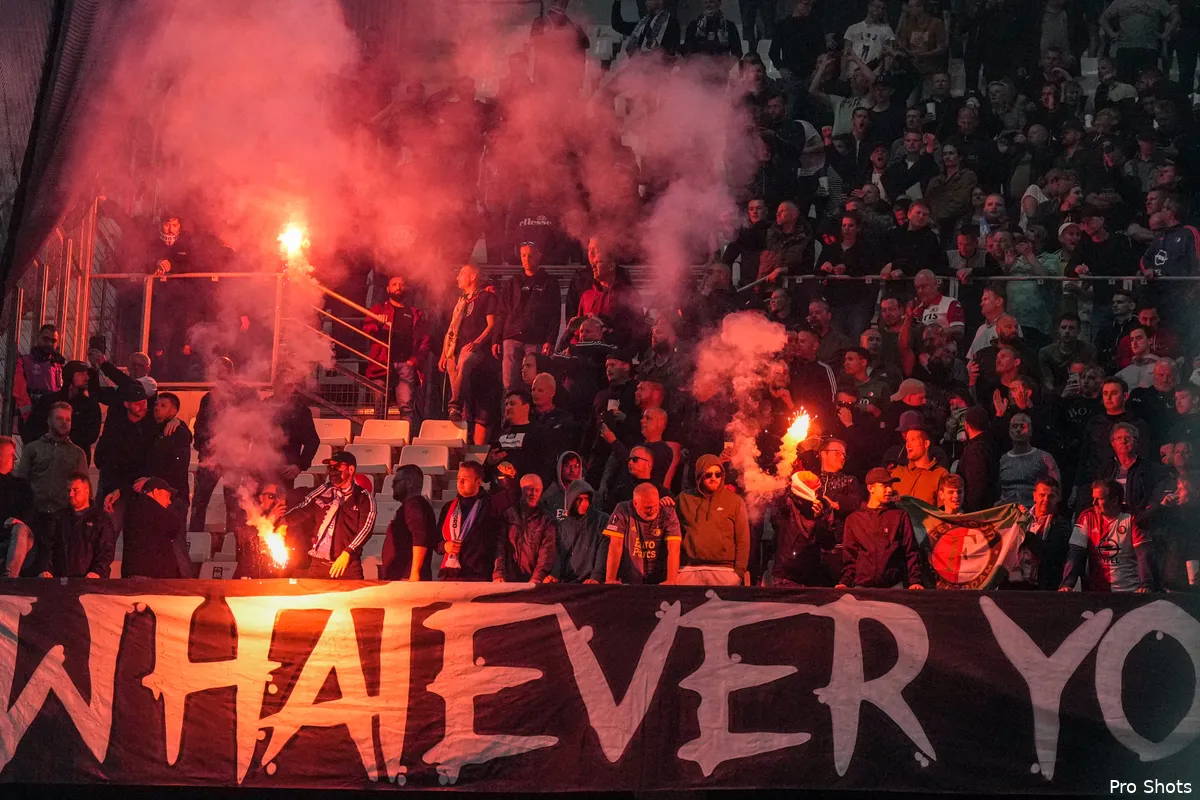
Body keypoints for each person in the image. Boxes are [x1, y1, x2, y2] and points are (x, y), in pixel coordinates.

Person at [283, 451, 377, 579]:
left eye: (337, 467)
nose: (332, 471)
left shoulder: (364, 497)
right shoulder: (322, 490)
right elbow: (302, 509)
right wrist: (283, 522)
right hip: (318, 565)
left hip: (347, 566)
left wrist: (348, 552)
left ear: (351, 469)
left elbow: (366, 529)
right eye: (330, 467)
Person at [837, 468, 925, 590]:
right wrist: (845, 582)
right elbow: (850, 556)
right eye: (884, 486)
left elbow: (911, 551)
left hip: (894, 587)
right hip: (862, 588)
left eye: (890, 485)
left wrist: (915, 581)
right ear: (870, 488)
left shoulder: (899, 516)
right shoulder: (854, 520)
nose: (890, 490)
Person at [492, 242, 562, 392]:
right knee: (509, 384)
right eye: (523, 255)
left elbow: (554, 314)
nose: (526, 259)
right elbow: (502, 312)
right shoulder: (512, 283)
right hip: (511, 337)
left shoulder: (549, 283)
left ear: (538, 256)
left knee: (533, 383)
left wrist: (550, 340)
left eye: (530, 255)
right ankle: (510, 408)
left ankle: (531, 408)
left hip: (536, 338)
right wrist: (496, 339)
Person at [1060, 480, 1152, 592]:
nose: (1094, 503)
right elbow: (1075, 553)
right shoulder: (1086, 517)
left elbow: (1143, 555)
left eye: (1100, 499)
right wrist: (1067, 584)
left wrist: (1145, 585)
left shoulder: (1132, 518)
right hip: (1097, 592)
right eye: (1093, 498)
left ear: (1114, 501)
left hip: (1130, 591)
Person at [440, 264, 498, 438]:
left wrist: (477, 342)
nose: (457, 277)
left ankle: (454, 406)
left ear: (473, 277)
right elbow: (451, 330)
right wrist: (444, 354)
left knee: (464, 359)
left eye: (462, 274)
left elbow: (492, 325)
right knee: (451, 364)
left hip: (476, 351)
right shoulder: (461, 302)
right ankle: (460, 413)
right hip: (457, 349)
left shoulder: (487, 297)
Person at [364, 274, 431, 422]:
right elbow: (367, 329)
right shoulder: (379, 309)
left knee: (406, 406)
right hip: (381, 363)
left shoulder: (415, 313)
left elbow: (425, 341)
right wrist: (378, 323)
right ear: (388, 289)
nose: (398, 287)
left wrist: (414, 360)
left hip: (406, 364)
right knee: (379, 405)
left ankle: (404, 435)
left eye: (401, 284)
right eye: (394, 284)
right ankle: (378, 434)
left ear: (407, 288)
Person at [675, 455, 749, 586]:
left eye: (718, 474)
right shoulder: (683, 499)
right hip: (689, 569)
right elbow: (669, 529)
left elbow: (743, 539)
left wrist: (739, 572)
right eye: (708, 474)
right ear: (699, 476)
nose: (713, 478)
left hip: (725, 570)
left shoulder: (735, 501)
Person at [34, 472, 115, 579]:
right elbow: (47, 547)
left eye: (75, 490)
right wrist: (45, 569)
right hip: (60, 581)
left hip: (90, 581)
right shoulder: (58, 518)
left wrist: (97, 572)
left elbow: (106, 551)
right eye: (69, 491)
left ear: (87, 491)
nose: (71, 494)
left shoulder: (101, 519)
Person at [436, 461, 504, 581]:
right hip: (450, 573)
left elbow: (512, 496)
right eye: (458, 478)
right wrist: (445, 546)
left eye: (466, 479)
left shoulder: (490, 505)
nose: (460, 482)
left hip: (478, 574)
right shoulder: (449, 507)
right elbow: (436, 540)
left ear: (478, 482)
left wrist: (510, 479)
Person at [602, 481, 681, 585]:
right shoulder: (623, 510)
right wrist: (610, 579)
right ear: (635, 503)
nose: (653, 510)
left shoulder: (667, 512)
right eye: (648, 507)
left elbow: (674, 549)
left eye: (656, 505)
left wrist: (671, 580)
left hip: (660, 577)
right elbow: (615, 546)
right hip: (630, 578)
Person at [17, 402, 89, 515]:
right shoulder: (32, 449)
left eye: (68, 419)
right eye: (59, 418)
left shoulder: (78, 454)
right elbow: (20, 483)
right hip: (35, 513)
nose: (64, 423)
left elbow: (85, 490)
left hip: (65, 516)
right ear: (49, 421)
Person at [23, 360, 101, 461]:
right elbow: (32, 429)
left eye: (87, 374)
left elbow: (91, 435)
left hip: (75, 459)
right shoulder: (49, 401)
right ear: (69, 377)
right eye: (81, 374)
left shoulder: (90, 405)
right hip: (48, 457)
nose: (87, 378)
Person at [1007, 477, 1072, 590]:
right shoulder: (1017, 518)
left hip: (1042, 588)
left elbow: (1051, 555)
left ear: (1057, 498)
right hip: (1012, 586)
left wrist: (1026, 533)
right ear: (1034, 496)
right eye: (1042, 495)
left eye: (1051, 496)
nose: (1046, 500)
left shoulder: (1062, 526)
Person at [121, 477, 190, 579]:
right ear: (156, 492)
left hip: (144, 574)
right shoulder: (146, 506)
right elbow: (174, 524)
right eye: (167, 496)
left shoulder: (135, 507)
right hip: (149, 576)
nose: (169, 501)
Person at [495, 474, 557, 582]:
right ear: (521, 490)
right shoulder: (508, 515)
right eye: (529, 489)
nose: (533, 494)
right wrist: (498, 574)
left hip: (534, 581)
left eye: (537, 490)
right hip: (507, 580)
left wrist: (537, 578)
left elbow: (547, 553)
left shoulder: (547, 520)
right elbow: (499, 547)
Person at [381, 464, 436, 581]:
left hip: (406, 578)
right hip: (403, 577)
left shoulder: (414, 504)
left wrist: (414, 573)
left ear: (409, 483)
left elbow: (420, 537)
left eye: (396, 482)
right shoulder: (413, 505)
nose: (392, 486)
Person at [489, 389, 555, 486]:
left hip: (527, 490)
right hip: (500, 491)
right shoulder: (499, 435)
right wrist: (490, 463)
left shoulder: (539, 433)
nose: (508, 407)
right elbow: (486, 475)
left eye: (512, 404)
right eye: (506, 404)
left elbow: (547, 468)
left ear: (526, 407)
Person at [268, 373, 321, 491]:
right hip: (260, 469)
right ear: (274, 384)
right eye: (281, 384)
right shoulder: (261, 407)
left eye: (289, 385)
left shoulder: (300, 411)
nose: (284, 388)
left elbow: (312, 441)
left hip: (286, 471)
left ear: (293, 388)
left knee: (282, 501)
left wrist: (299, 466)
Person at [998, 413, 1061, 508]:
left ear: (1030, 431)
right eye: (1015, 426)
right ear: (1009, 431)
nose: (1018, 430)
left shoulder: (1044, 458)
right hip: (1008, 513)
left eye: (1023, 426)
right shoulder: (1003, 460)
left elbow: (1057, 493)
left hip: (1034, 512)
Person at [890, 415, 950, 505]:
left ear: (926, 444)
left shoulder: (940, 475)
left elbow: (945, 509)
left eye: (913, 440)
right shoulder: (898, 473)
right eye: (907, 441)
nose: (908, 445)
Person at [235, 481, 289, 579]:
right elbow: (246, 541)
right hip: (249, 576)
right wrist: (270, 520)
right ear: (261, 498)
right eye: (272, 496)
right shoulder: (247, 515)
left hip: (275, 579)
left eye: (279, 496)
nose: (276, 501)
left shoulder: (287, 520)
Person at [14, 323, 64, 428]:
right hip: (32, 417)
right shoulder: (24, 361)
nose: (49, 344)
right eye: (45, 339)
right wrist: (28, 416)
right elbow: (19, 390)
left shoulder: (58, 365)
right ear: (37, 338)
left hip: (52, 419)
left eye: (53, 341)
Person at [0, 437, 34, 578]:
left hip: (17, 536)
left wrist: (18, 520)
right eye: (11, 455)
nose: (14, 459)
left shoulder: (21, 486)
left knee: (20, 529)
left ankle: (10, 578)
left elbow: (30, 510)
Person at [958, 405, 997, 512]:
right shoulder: (990, 444)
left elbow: (976, 486)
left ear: (966, 425)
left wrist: (969, 511)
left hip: (977, 513)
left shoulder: (975, 450)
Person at [1115, 325, 1161, 390]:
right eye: (1132, 340)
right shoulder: (1121, 375)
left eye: (1139, 338)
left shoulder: (1161, 368)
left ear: (1150, 340)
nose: (1134, 343)